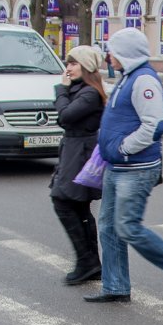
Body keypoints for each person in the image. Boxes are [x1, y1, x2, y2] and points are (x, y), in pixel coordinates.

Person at [85, 27, 163, 303]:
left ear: (126, 53)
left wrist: (123, 148)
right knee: (109, 227)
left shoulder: (143, 80)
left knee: (127, 226)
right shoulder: (127, 77)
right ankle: (115, 287)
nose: (109, 56)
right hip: (117, 166)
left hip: (135, 168)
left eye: (113, 51)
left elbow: (155, 125)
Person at [50, 45, 106, 285]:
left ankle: (87, 261)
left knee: (62, 200)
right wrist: (66, 90)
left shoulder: (90, 93)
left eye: (73, 63)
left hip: (80, 153)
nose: (68, 68)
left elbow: (65, 116)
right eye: (67, 63)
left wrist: (61, 90)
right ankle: (90, 262)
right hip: (74, 150)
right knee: (78, 206)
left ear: (86, 67)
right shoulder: (81, 90)